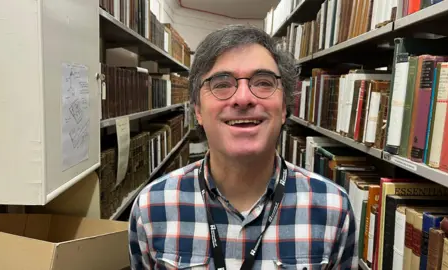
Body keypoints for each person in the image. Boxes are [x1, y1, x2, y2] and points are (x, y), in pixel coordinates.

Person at [129, 24, 358, 270]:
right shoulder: (151, 208)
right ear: (198, 111)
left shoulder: (334, 210)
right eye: (221, 84)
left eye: (263, 82)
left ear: (283, 108)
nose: (243, 98)